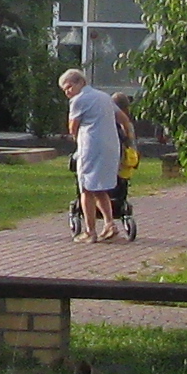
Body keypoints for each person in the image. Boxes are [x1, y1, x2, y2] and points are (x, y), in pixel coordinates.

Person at [60, 66, 123, 242]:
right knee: (100, 188)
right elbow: (122, 118)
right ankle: (110, 224)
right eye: (64, 90)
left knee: (86, 189)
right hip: (111, 147)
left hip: (91, 147)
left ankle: (90, 231)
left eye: (69, 87)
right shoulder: (104, 97)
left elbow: (72, 127)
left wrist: (75, 139)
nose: (67, 92)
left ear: (81, 82)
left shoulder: (78, 100)